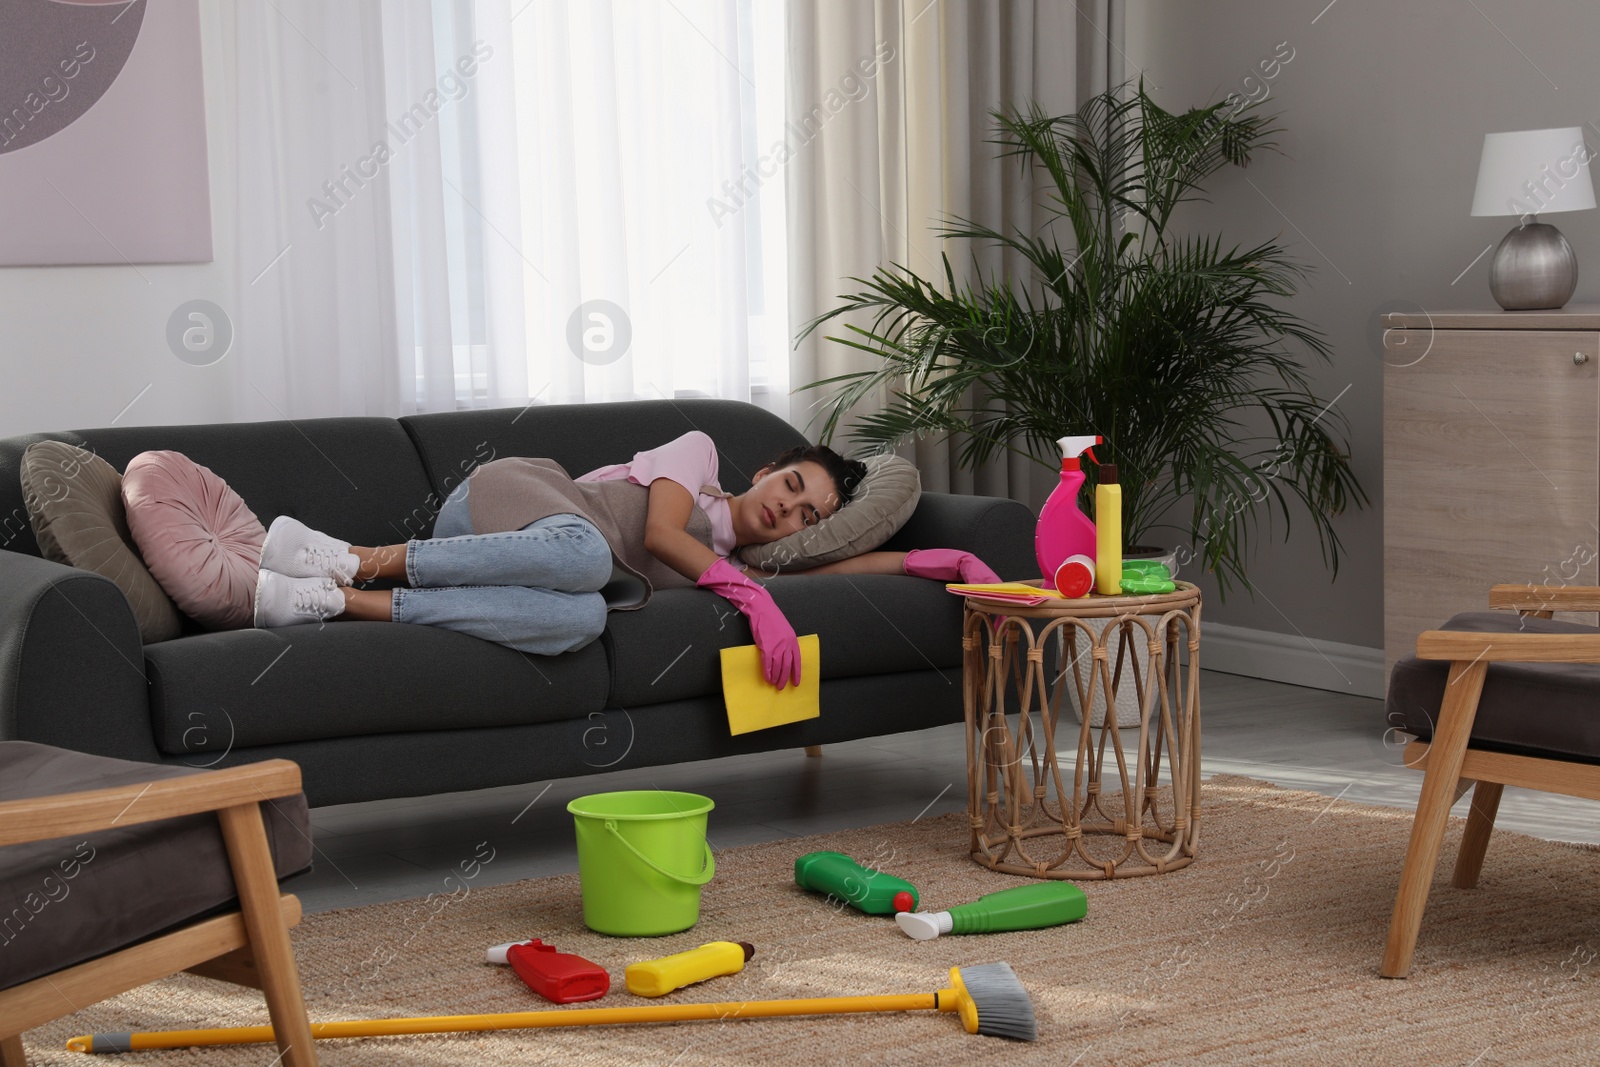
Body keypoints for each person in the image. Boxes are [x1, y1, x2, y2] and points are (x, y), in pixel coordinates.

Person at [253, 429, 1000, 689]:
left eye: (809, 516)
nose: (791, 510)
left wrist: (942, 558)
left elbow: (836, 572)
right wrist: (757, 601)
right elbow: (660, 539)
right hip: (506, 502)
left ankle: (331, 598)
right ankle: (351, 555)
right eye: (794, 485)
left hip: (543, 572)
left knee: (580, 618)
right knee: (585, 560)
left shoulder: (757, 561)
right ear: (770, 467)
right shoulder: (697, 455)